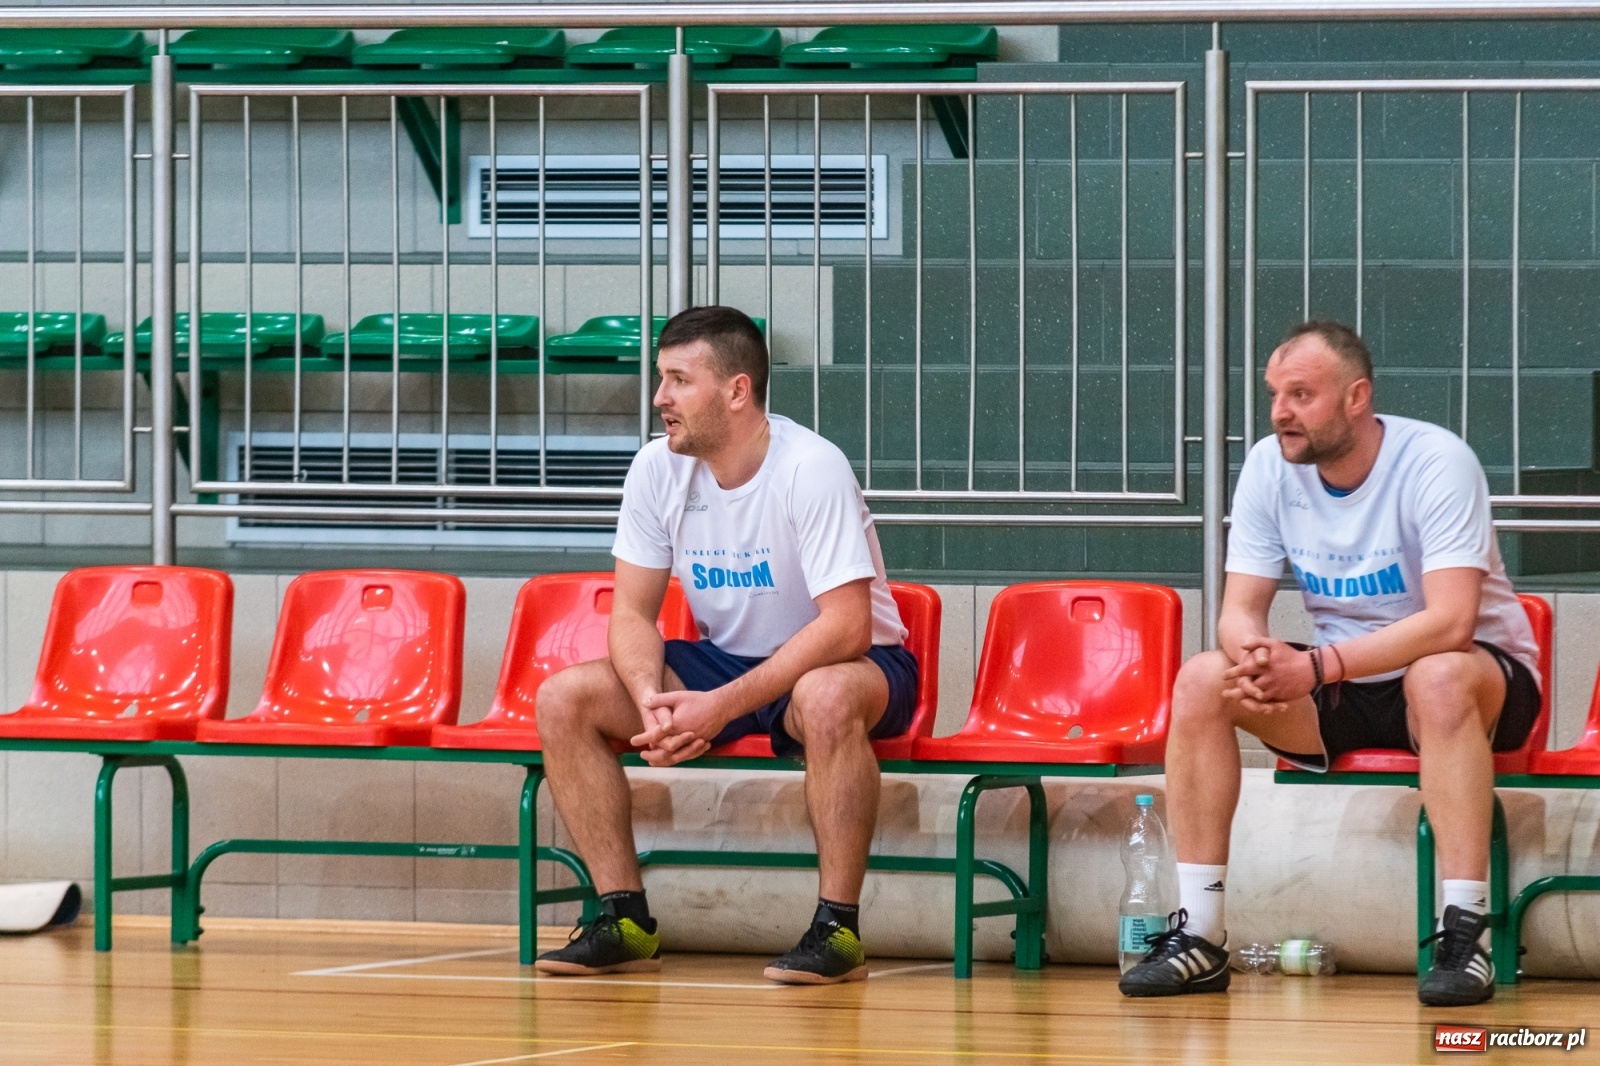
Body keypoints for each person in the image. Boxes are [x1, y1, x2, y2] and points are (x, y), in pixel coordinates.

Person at [1118, 320, 1541, 1008]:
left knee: (1436, 676)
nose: (1281, 411)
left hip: (1475, 679)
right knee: (1202, 679)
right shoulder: (1266, 467)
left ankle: (1465, 933)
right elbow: (1239, 608)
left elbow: (1452, 620)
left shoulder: (1436, 461)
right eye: (1275, 394)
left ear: (1356, 398)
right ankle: (1200, 932)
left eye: (1301, 394)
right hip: (1342, 682)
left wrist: (1315, 668)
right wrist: (1251, 647)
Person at [533, 305, 918, 985]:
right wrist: (650, 697)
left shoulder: (811, 467)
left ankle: (838, 930)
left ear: (736, 391)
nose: (660, 399)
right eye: (661, 379)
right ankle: (623, 918)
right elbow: (631, 613)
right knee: (568, 698)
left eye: (678, 380)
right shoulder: (657, 469)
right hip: (725, 665)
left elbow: (847, 626)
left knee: (823, 696)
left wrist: (721, 705)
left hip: (854, 663)